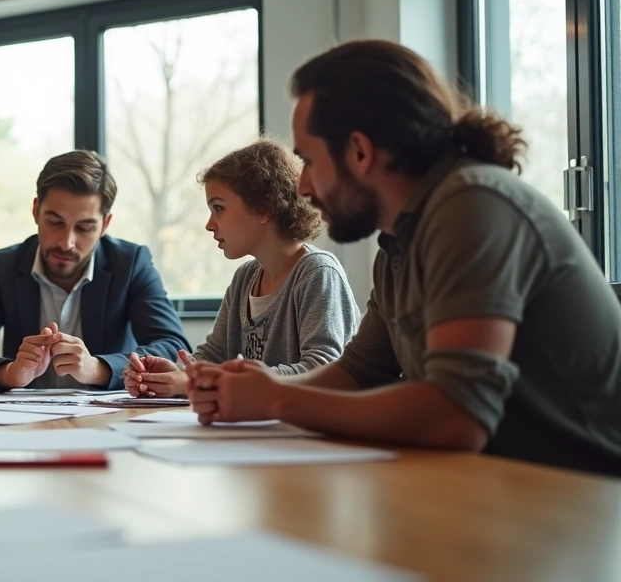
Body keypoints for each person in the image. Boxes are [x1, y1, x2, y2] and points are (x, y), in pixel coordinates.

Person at [188, 39, 621, 476]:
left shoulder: (471, 206)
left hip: (584, 499)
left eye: (309, 160)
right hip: (504, 487)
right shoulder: (400, 242)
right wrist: (252, 391)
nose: (302, 186)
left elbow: (457, 414)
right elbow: (358, 372)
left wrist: (277, 399)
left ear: (359, 151)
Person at [124, 139, 359, 398]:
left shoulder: (317, 273)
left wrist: (208, 381)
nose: (209, 225)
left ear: (264, 209)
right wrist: (176, 373)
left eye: (218, 208)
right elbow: (214, 355)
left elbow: (323, 369)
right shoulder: (245, 278)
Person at [0, 149, 190, 392]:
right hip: (24, 422)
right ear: (36, 210)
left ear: (105, 224)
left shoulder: (131, 264)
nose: (66, 242)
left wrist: (98, 368)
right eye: (55, 222)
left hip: (109, 420)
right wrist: (11, 374)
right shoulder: (0, 268)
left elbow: (174, 348)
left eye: (84, 227)